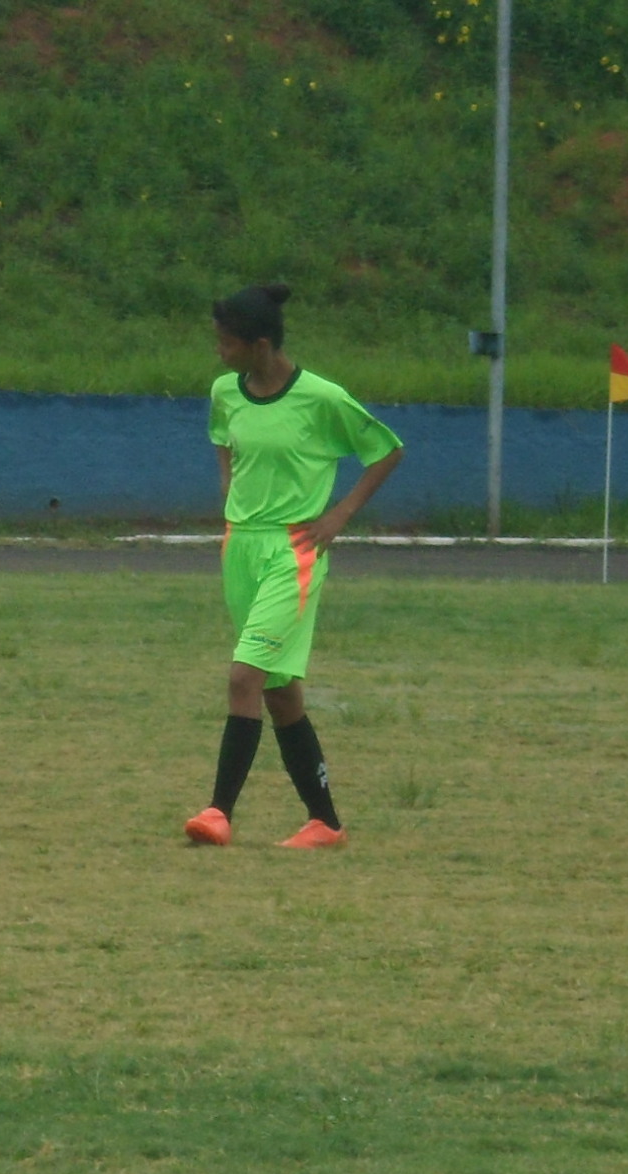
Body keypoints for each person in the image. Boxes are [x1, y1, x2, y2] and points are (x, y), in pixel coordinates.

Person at [184, 282, 403, 850]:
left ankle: (217, 813)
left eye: (226, 343)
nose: (219, 353)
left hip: (293, 553)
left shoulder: (322, 398)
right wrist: (230, 494)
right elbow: (221, 439)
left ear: (259, 345)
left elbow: (387, 449)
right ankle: (325, 823)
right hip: (241, 550)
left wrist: (340, 515)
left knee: (243, 677)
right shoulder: (225, 392)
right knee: (280, 693)